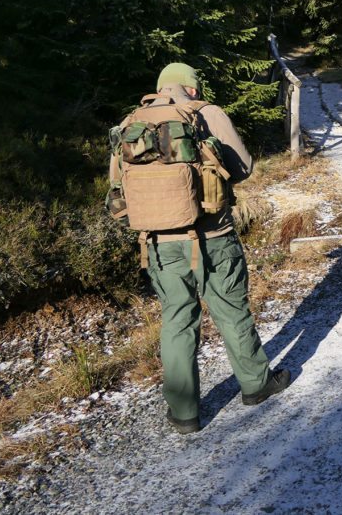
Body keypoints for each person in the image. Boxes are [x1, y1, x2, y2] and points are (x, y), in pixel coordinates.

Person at [109, 62, 290, 435]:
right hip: (213, 238)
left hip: (157, 243)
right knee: (231, 312)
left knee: (177, 321)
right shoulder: (206, 113)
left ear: (161, 88)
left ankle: (184, 413)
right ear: (191, 88)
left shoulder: (130, 123)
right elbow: (243, 167)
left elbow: (117, 186)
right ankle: (256, 385)